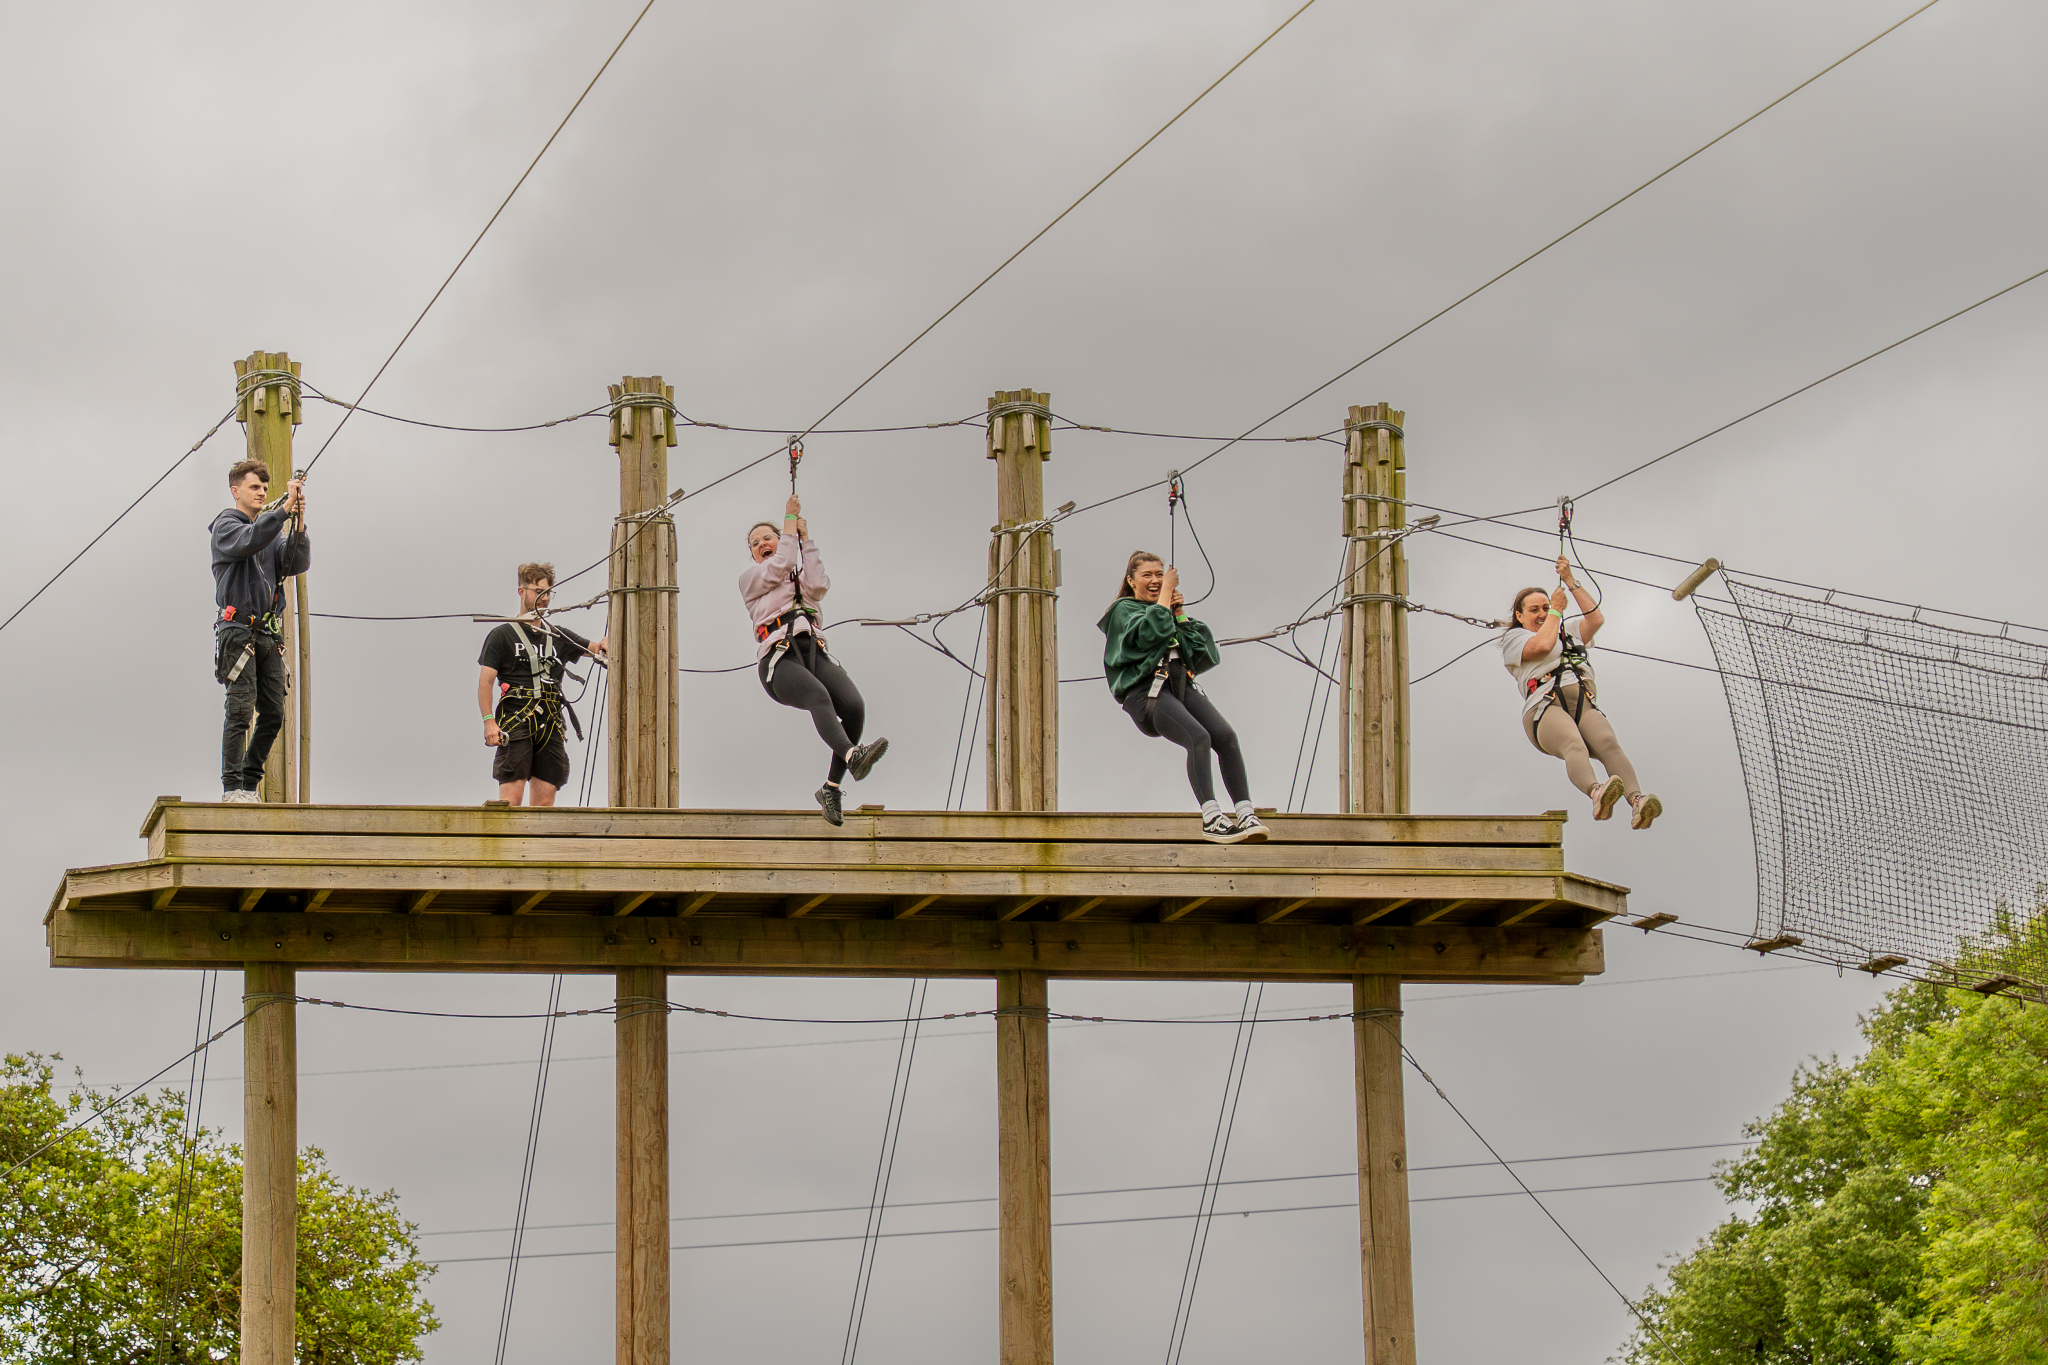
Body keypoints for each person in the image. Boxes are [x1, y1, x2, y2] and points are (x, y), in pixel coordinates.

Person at [1099, 551, 1267, 844]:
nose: (1155, 580)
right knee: (1198, 737)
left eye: (1160, 575)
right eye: (1147, 575)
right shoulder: (1124, 610)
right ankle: (1212, 817)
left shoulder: (1164, 611)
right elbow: (1150, 634)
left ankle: (1246, 812)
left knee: (1225, 737)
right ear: (1131, 581)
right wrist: (1164, 598)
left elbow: (1203, 656)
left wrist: (1179, 614)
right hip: (1145, 693)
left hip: (1178, 687)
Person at [740, 495, 887, 825]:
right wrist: (790, 520)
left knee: (853, 706)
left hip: (812, 652)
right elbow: (779, 566)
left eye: (768, 537)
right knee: (819, 697)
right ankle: (853, 755)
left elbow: (819, 585)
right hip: (780, 661)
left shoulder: (798, 578)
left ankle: (831, 787)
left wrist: (806, 540)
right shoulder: (752, 579)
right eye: (755, 543)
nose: (762, 543)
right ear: (752, 554)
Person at [1502, 556, 1662, 829]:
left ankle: (1637, 802)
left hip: (1583, 701)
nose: (1542, 613)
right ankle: (1596, 792)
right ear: (1519, 616)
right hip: (1546, 705)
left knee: (1609, 744)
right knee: (1573, 744)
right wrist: (1555, 613)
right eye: (1533, 610)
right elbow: (1541, 647)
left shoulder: (1568, 631)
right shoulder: (1515, 638)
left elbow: (1595, 619)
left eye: (1546, 607)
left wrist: (1570, 581)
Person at [211, 460, 312, 802]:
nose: (260, 493)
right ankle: (232, 786)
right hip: (239, 631)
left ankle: (249, 783)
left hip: (267, 635)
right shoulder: (227, 526)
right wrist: (283, 510)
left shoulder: (269, 532)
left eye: (264, 489)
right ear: (235, 490)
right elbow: (247, 542)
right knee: (240, 709)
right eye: (254, 487)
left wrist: (298, 524)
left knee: (273, 713)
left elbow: (294, 563)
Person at [477, 563, 607, 807]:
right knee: (511, 802)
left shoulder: (558, 636)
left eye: (548, 592)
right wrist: (488, 722)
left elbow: (596, 649)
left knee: (545, 805)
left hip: (550, 724)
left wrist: (607, 642)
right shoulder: (502, 635)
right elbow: (486, 681)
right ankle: (509, 844)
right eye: (538, 591)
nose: (544, 598)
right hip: (517, 722)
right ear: (521, 592)